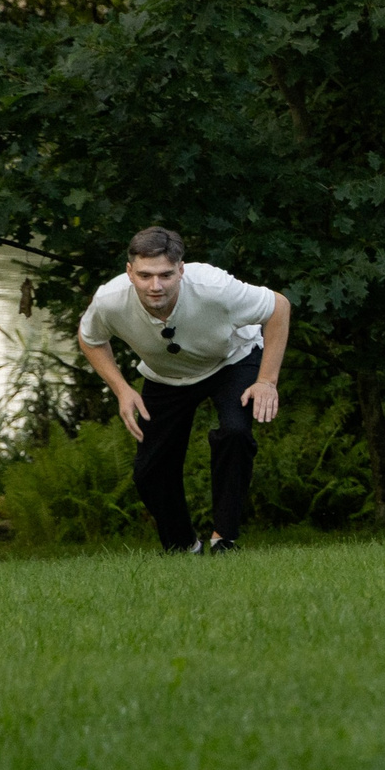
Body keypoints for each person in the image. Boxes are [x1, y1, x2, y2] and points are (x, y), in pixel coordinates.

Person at [76, 226, 291, 554]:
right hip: (165, 377)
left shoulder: (214, 287)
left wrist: (266, 381)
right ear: (129, 272)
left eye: (165, 275)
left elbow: (278, 307)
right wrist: (121, 389)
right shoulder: (109, 300)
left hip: (231, 359)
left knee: (234, 433)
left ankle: (224, 539)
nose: (155, 286)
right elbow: (90, 339)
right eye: (145, 276)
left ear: (181, 270)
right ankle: (184, 546)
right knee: (149, 471)